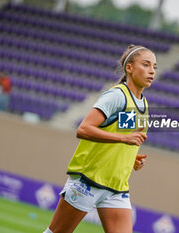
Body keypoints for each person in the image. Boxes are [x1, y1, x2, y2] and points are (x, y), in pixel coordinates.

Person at [44, 44, 157, 233]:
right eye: (146, 65)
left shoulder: (143, 104)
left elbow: (119, 135)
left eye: (154, 67)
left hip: (116, 187)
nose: (151, 71)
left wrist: (130, 158)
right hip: (88, 181)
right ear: (129, 68)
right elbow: (84, 129)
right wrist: (124, 141)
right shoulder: (116, 96)